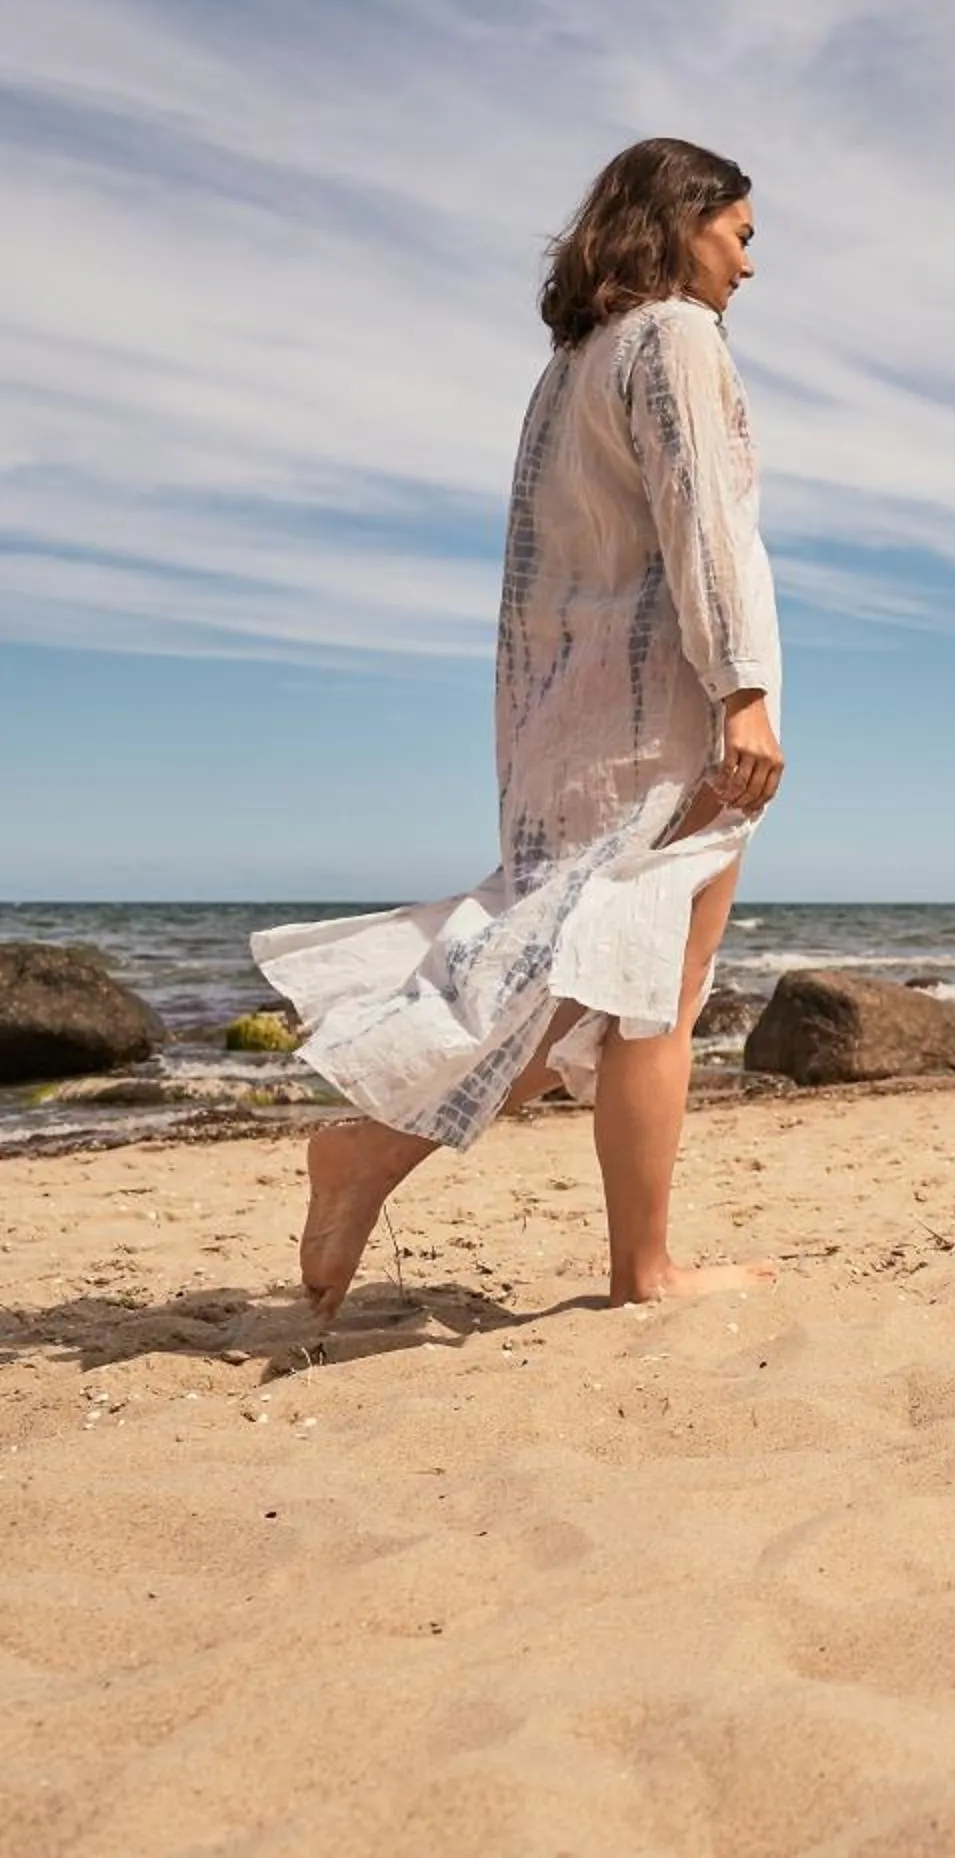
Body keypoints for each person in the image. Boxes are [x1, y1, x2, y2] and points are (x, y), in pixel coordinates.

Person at [253, 138, 787, 1320]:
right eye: (742, 236)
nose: (751, 268)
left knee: (591, 978)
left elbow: (536, 580)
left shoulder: (569, 368)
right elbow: (704, 524)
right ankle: (633, 1270)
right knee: (649, 987)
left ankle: (377, 1158)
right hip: (666, 708)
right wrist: (744, 688)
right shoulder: (675, 340)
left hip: (571, 712)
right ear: (684, 221)